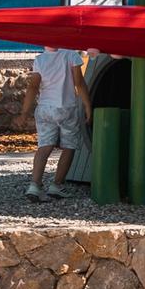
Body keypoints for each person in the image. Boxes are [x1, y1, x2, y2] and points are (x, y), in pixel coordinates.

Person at [17, 46, 92, 201]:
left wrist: (24, 113)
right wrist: (87, 105)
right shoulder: (71, 54)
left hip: (45, 109)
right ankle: (56, 185)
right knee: (69, 146)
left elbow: (33, 87)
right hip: (67, 108)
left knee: (44, 147)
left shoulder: (40, 59)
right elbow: (79, 82)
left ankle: (35, 185)